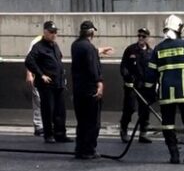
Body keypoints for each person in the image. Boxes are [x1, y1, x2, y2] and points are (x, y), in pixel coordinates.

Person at [145, 14, 184, 164]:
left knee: (167, 124)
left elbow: (150, 74)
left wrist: (148, 92)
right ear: (178, 29)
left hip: (166, 94)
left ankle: (174, 155)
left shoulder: (158, 49)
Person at [71, 21, 113, 159]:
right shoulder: (88, 48)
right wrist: (99, 83)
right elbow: (92, 68)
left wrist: (99, 50)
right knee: (93, 121)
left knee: (82, 121)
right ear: (92, 32)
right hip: (90, 90)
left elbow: (88, 54)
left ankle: (80, 148)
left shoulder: (76, 45)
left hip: (78, 90)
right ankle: (89, 149)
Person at [25, 21, 73, 143]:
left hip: (58, 83)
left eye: (55, 32)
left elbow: (59, 62)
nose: (54, 34)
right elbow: (29, 61)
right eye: (51, 32)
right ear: (45, 32)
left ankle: (60, 133)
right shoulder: (38, 47)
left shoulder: (55, 46)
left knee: (60, 110)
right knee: (48, 110)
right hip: (47, 85)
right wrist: (41, 75)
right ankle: (49, 134)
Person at [119, 27, 153, 144]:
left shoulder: (151, 52)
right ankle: (124, 129)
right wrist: (127, 76)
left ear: (148, 38)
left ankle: (143, 133)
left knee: (145, 110)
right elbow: (123, 66)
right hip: (131, 85)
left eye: (143, 36)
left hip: (144, 86)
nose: (140, 38)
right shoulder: (130, 50)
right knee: (129, 108)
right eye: (139, 36)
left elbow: (153, 69)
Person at [26, 35, 44, 136]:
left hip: (46, 76)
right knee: (38, 100)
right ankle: (39, 126)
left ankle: (45, 125)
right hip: (37, 76)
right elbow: (29, 59)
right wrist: (29, 74)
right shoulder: (36, 42)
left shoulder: (51, 43)